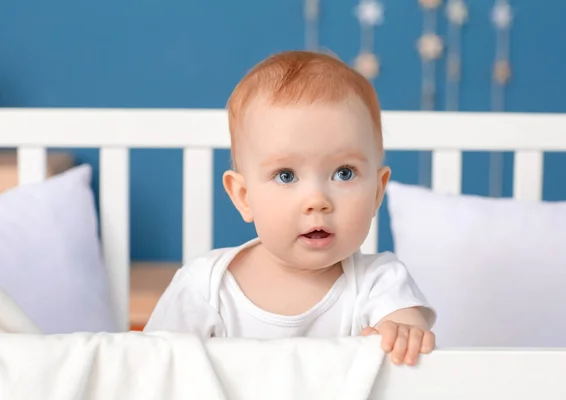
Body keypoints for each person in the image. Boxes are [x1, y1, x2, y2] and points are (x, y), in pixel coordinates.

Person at [144, 50, 436, 366]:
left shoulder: (379, 282)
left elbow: (405, 328)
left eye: (344, 173)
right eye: (286, 176)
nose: (317, 200)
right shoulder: (205, 287)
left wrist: (403, 333)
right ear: (243, 196)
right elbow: (152, 367)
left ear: (378, 191)